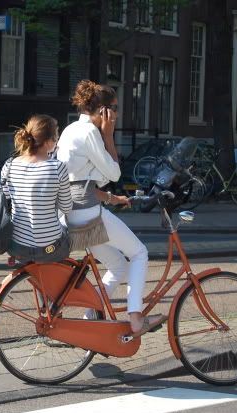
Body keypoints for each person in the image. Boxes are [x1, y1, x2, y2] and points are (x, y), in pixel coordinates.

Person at [56, 79, 167, 336]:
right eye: (114, 108)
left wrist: (110, 198)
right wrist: (108, 135)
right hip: (87, 215)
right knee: (139, 253)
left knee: (118, 264)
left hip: (70, 213)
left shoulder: (70, 130)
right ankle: (136, 318)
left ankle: (91, 316)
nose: (117, 114)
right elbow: (115, 173)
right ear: (103, 110)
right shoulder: (91, 133)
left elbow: (83, 180)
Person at [1, 114, 73, 262]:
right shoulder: (57, 167)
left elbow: (5, 199)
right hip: (49, 248)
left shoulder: (9, 165)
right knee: (69, 236)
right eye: (56, 137)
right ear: (48, 142)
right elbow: (66, 208)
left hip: (17, 246)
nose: (57, 141)